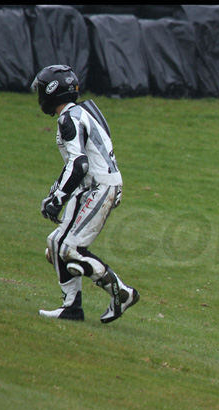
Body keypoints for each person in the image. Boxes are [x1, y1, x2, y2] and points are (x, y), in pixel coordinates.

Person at [31, 64, 139, 323]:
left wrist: (57, 198)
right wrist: (57, 192)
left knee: (70, 249)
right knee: (56, 246)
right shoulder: (84, 111)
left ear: (52, 92)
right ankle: (72, 308)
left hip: (98, 187)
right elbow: (79, 162)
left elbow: (79, 164)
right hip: (97, 185)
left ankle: (121, 292)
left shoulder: (69, 118)